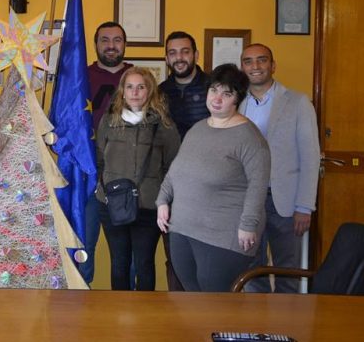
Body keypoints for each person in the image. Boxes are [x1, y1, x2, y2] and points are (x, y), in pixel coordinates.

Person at [156, 64, 270, 292]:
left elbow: (258, 187)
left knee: (215, 302)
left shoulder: (250, 137)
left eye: (226, 94)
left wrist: (249, 226)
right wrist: (162, 201)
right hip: (183, 229)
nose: (217, 98)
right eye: (213, 90)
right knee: (193, 300)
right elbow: (176, 171)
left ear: (237, 99)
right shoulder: (198, 129)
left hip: (222, 235)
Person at [239, 43, 320, 293]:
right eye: (249, 61)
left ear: (273, 66)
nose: (255, 66)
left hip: (285, 202)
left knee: (288, 270)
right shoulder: (235, 103)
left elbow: (310, 156)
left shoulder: (297, 102)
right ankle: (257, 326)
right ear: (242, 67)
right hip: (248, 200)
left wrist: (304, 206)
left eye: (262, 60)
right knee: (251, 269)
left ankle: (287, 326)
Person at [95, 67, 180, 290]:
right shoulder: (108, 122)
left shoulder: (164, 125)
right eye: (130, 87)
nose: (135, 92)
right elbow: (99, 159)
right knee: (119, 262)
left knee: (144, 263)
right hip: (113, 204)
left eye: (141, 87)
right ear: (122, 91)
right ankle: (118, 314)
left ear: (150, 91)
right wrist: (103, 189)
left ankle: (146, 316)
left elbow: (173, 166)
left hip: (148, 206)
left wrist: (165, 200)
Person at [158, 30, 210, 291]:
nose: (179, 58)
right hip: (173, 188)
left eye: (185, 51)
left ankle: (208, 316)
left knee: (208, 259)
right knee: (176, 258)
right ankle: (177, 316)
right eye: (173, 53)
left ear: (196, 55)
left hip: (210, 189)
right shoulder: (160, 93)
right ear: (167, 58)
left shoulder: (215, 87)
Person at [81, 21, 133, 284]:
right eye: (105, 40)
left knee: (126, 254)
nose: (111, 45)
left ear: (125, 44)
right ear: (95, 44)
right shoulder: (80, 77)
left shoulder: (138, 78)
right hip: (88, 174)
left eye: (117, 40)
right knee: (84, 246)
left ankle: (129, 311)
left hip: (127, 177)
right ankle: (78, 309)